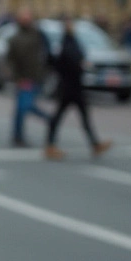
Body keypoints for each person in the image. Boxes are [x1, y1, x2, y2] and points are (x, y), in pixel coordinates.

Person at [44, 17, 112, 160]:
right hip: (70, 86)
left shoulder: (69, 41)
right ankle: (50, 145)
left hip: (73, 86)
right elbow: (68, 62)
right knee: (61, 116)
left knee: (80, 117)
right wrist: (81, 65)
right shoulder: (67, 43)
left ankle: (94, 144)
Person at [6, 8, 50, 146]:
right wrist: (17, 78)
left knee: (24, 106)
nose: (26, 20)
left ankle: (19, 135)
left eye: (27, 17)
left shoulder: (38, 35)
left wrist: (45, 72)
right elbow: (10, 60)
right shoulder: (14, 38)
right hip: (23, 79)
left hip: (35, 77)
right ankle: (18, 135)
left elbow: (47, 54)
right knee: (23, 107)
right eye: (23, 17)